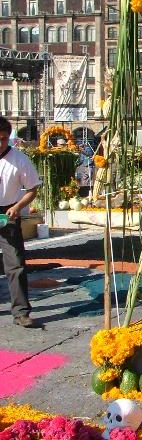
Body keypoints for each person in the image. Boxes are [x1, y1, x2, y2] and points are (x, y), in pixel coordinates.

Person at [0, 117, 42, 327]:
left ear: (8, 138)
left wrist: (17, 207)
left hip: (8, 213)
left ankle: (21, 312)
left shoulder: (20, 159)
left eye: (3, 139)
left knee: (15, 264)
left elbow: (32, 189)